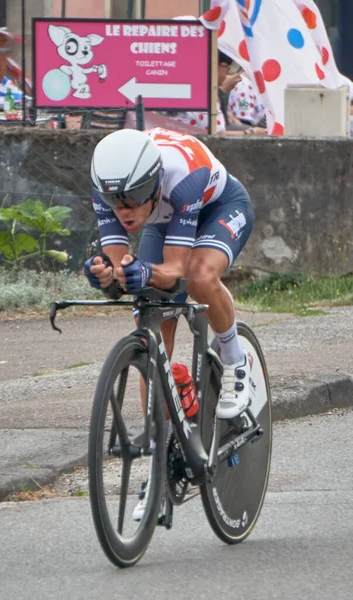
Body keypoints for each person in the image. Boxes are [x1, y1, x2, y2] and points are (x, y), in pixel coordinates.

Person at [84, 127, 254, 518]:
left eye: (132, 199)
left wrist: (143, 272)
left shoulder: (182, 179)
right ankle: (158, 465)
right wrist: (105, 274)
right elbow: (119, 265)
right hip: (167, 219)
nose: (123, 210)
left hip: (218, 207)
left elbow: (174, 270)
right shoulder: (111, 188)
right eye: (114, 201)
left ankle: (233, 355)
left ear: (153, 184)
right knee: (152, 323)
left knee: (198, 278)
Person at [169, 51, 265, 135]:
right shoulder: (205, 95)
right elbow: (219, 134)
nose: (227, 74)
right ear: (215, 65)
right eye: (226, 68)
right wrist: (252, 132)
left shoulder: (198, 90)